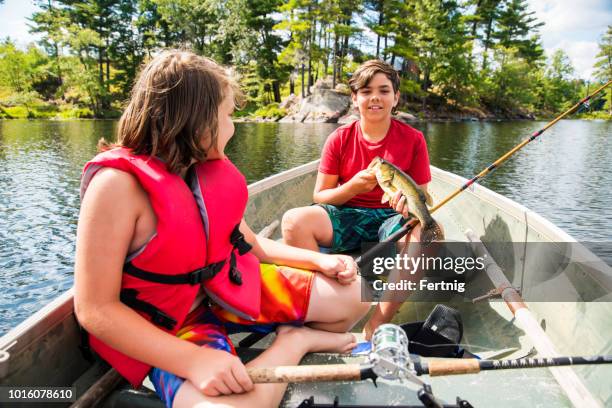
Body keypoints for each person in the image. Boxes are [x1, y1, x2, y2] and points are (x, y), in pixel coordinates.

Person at [74, 50, 370, 408]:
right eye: (229, 115)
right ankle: (293, 342)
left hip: (228, 290)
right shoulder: (116, 186)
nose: (233, 126)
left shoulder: (203, 169)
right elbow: (95, 309)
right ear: (196, 119)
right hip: (172, 323)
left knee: (357, 293)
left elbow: (248, 241)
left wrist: (319, 262)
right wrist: (195, 361)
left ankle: (291, 338)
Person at [281, 59, 436, 340]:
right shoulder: (339, 139)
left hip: (392, 220)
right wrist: (352, 187)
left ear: (396, 97)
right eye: (365, 91)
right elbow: (321, 196)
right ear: (354, 98)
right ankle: (326, 300)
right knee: (294, 221)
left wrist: (410, 211)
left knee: (426, 235)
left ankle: (377, 321)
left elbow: (421, 196)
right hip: (347, 215)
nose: (374, 97)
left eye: (383, 90)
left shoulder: (413, 139)